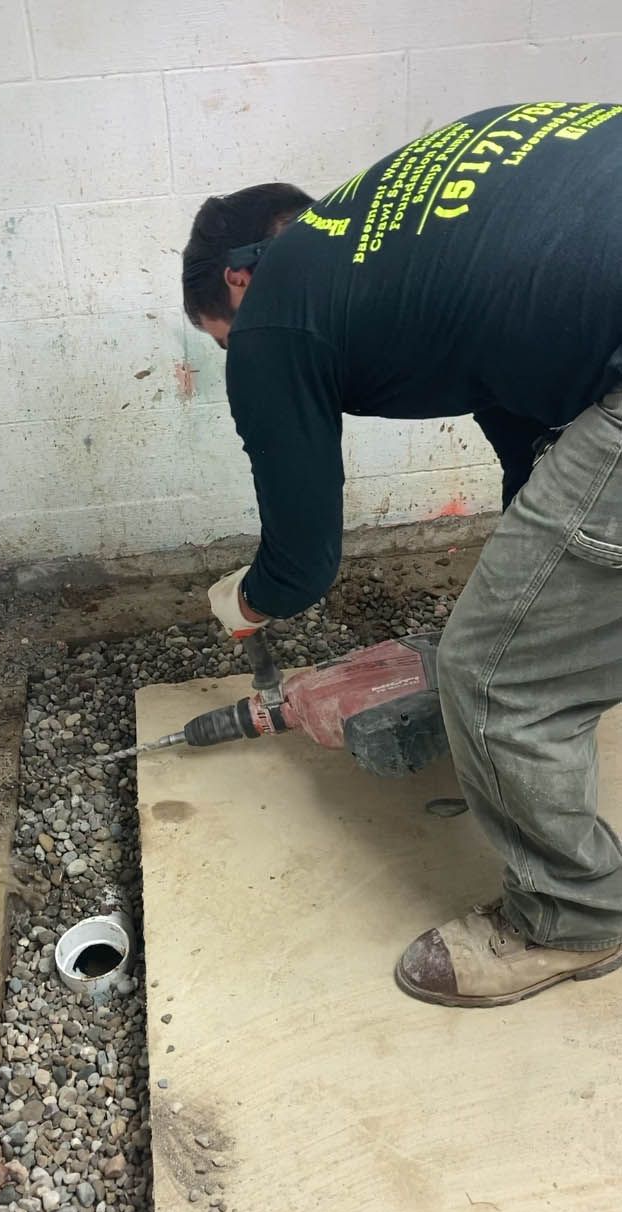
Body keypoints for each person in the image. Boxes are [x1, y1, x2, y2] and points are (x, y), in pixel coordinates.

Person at [181, 101, 622, 1009]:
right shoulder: (401, 230)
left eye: (219, 339)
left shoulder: (272, 319)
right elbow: (529, 400)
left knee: (496, 678)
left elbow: (304, 559)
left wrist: (249, 603)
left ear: (234, 284)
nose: (235, 354)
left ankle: (574, 916)